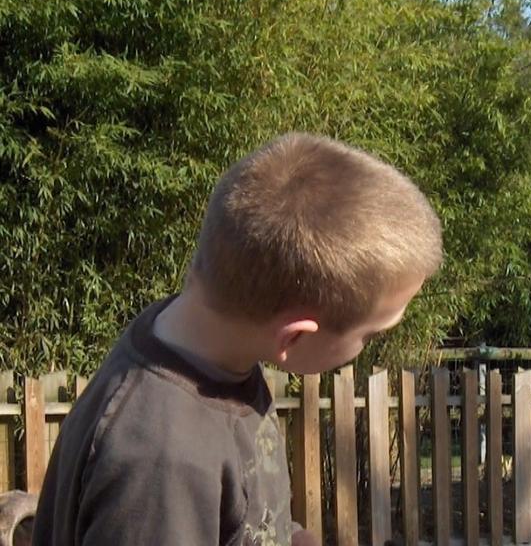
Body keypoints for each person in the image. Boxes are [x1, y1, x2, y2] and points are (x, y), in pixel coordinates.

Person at [33, 132, 444, 546]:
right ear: (295, 338)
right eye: (370, 335)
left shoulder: (208, 347)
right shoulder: (162, 463)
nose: (365, 348)